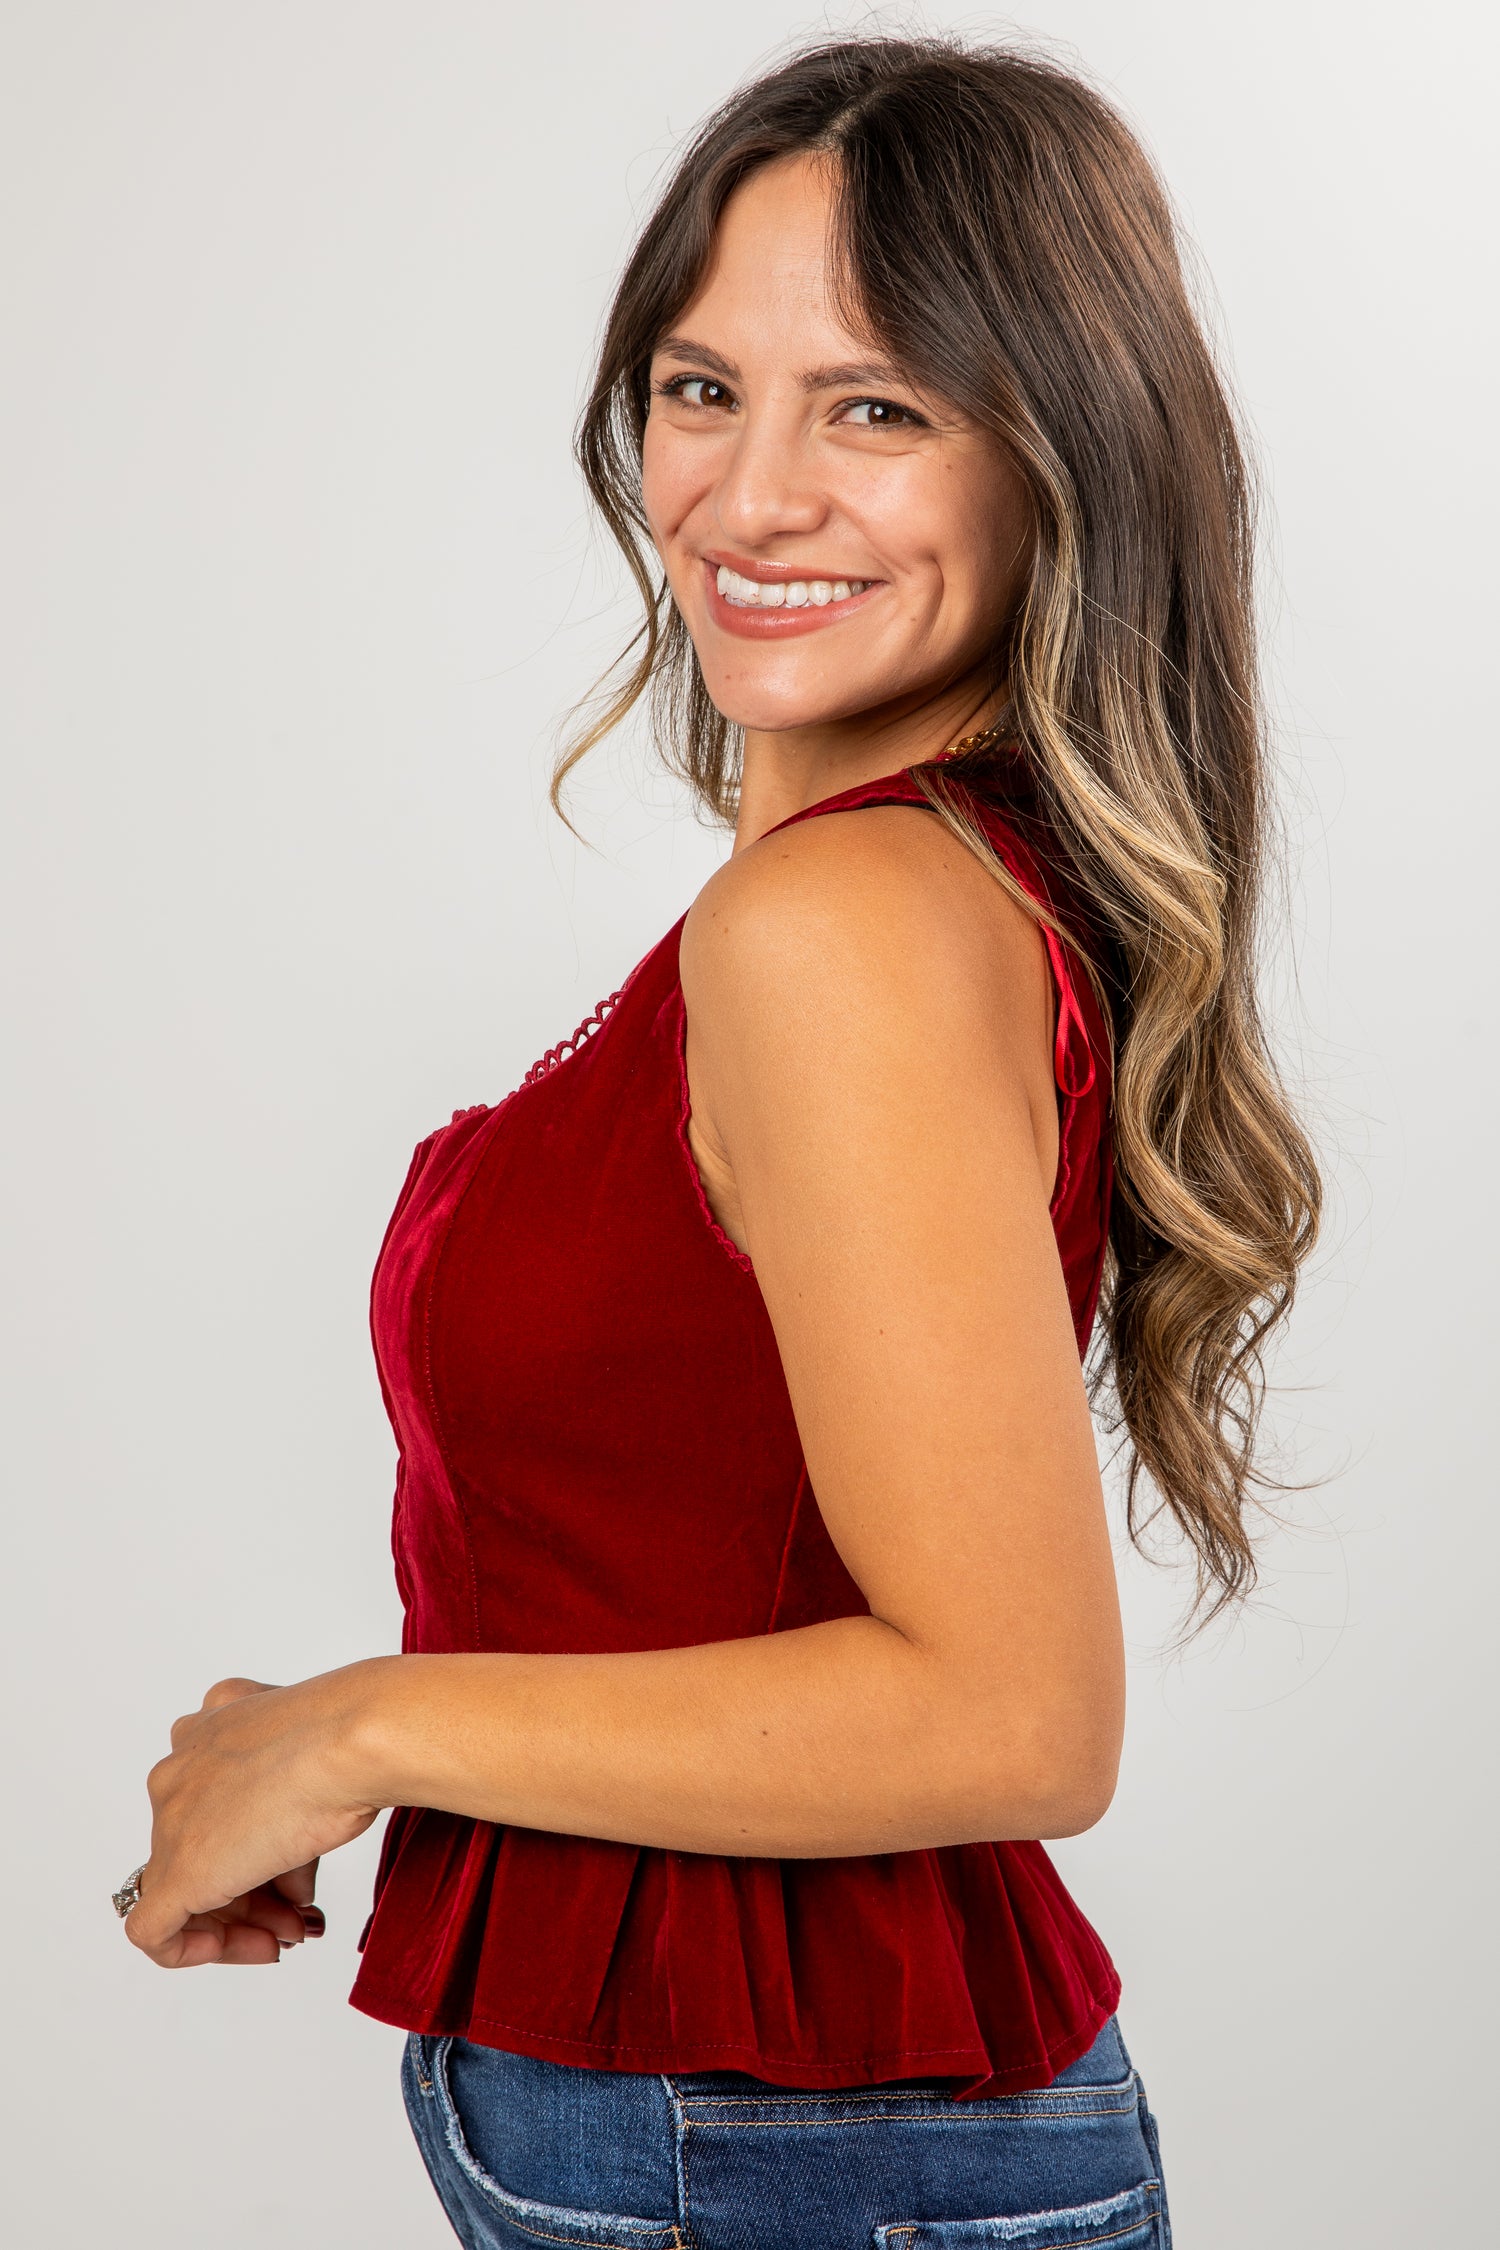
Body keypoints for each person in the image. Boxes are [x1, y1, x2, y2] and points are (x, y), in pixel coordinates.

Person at [116, 35, 1320, 2249]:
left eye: (878, 406)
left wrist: (361, 1730)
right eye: (700, 388)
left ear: (1060, 458)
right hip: (759, 2142)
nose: (751, 498)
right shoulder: (906, 886)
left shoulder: (844, 922)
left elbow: (1015, 1713)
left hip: (778, 2144)